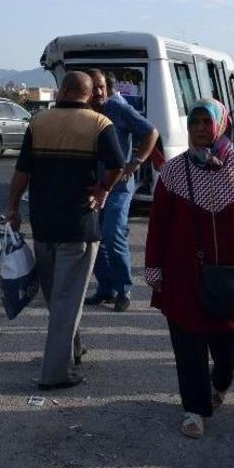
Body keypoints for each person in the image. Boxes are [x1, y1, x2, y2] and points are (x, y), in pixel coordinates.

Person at [144, 98, 234, 439]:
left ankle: (219, 383)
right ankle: (195, 409)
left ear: (221, 124)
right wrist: (153, 266)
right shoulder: (175, 171)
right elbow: (159, 222)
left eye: (208, 122)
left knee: (229, 345)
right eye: (195, 123)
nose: (202, 129)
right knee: (187, 344)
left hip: (229, 275)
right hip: (181, 275)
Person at [5, 71, 124, 390]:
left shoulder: (39, 121)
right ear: (87, 93)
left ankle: (73, 348)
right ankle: (55, 372)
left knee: (57, 298)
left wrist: (13, 207)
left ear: (64, 90)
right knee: (68, 299)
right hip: (79, 226)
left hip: (43, 225)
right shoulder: (99, 124)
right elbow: (117, 165)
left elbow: (22, 171)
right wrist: (103, 190)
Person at [83, 69, 160, 312]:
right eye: (93, 88)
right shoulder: (82, 113)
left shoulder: (118, 109)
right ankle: (106, 288)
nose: (98, 92)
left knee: (112, 233)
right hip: (92, 187)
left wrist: (135, 162)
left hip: (118, 186)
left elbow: (151, 132)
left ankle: (124, 289)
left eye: (102, 87)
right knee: (92, 237)